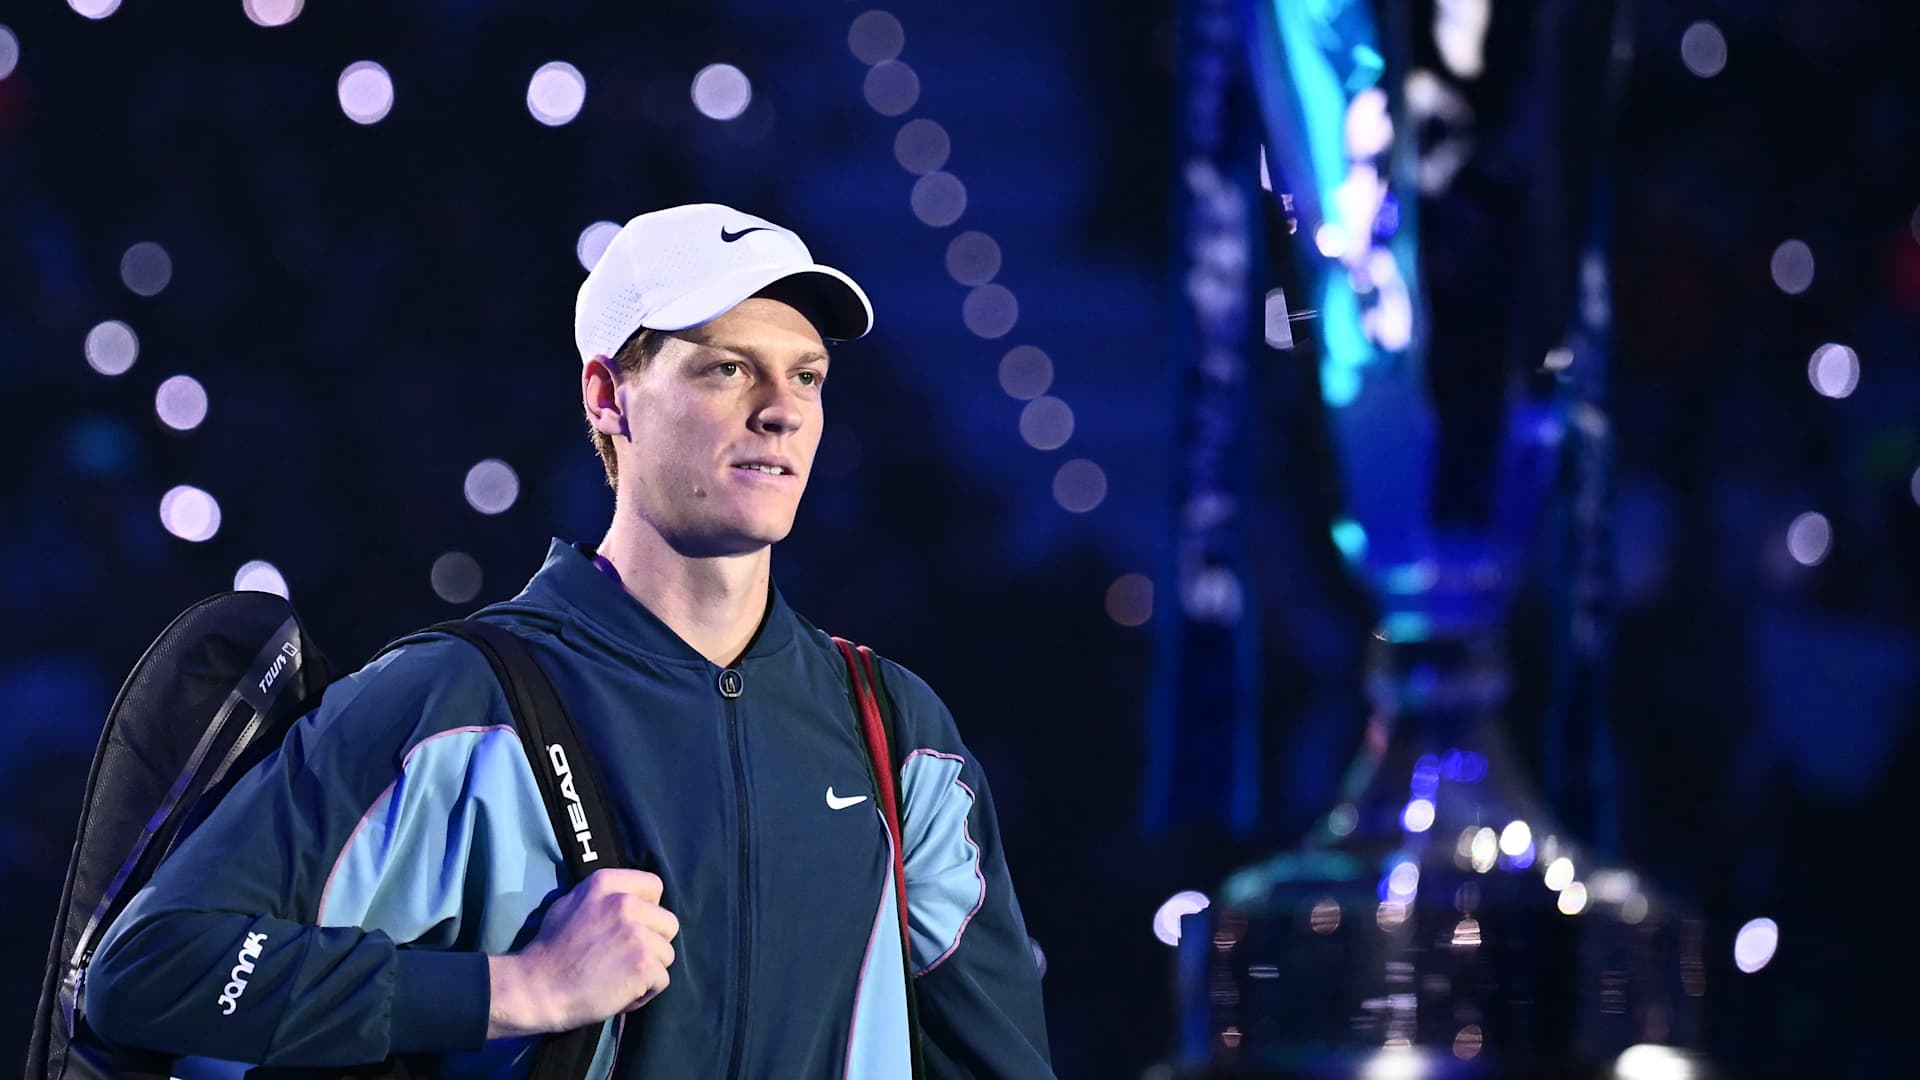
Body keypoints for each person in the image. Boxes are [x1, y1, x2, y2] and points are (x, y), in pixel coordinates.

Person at [84, 203, 1054, 1078]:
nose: (783, 408)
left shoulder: (892, 729)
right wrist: (520, 989)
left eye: (806, 375)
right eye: (727, 367)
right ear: (607, 396)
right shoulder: (450, 698)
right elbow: (146, 971)